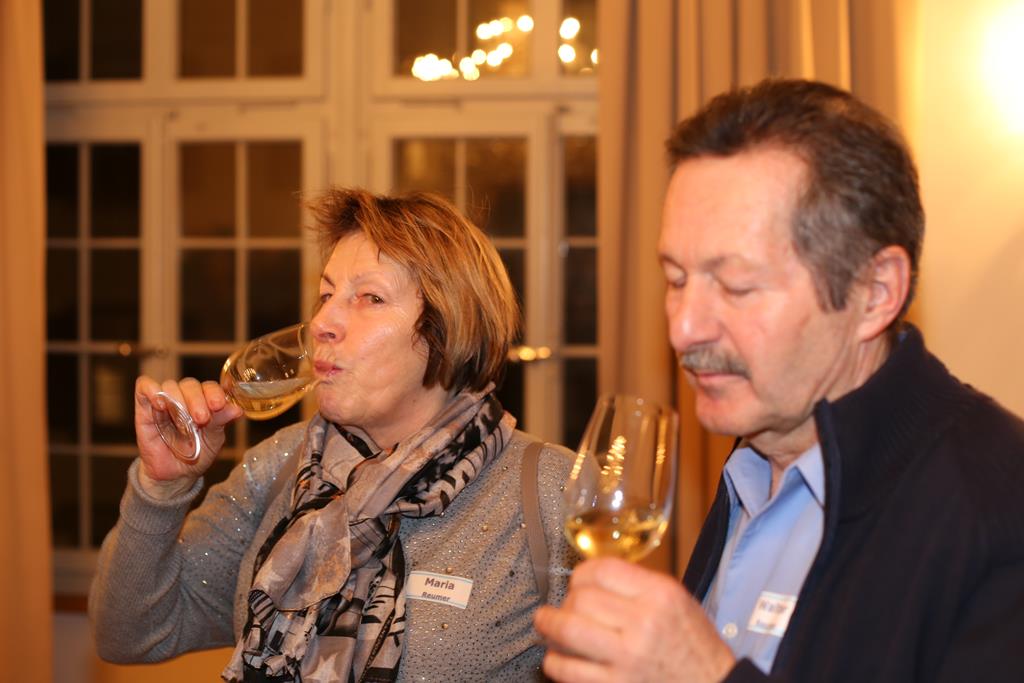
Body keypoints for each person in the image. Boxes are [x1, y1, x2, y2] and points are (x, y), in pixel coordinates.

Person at [534, 78, 1024, 682]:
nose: (683, 329)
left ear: (875, 293)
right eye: (676, 278)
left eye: (737, 286)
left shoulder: (1001, 505)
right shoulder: (755, 457)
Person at [89, 188, 577, 682]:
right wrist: (162, 486)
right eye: (326, 295)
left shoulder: (550, 492)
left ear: (448, 326)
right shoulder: (283, 465)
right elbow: (130, 633)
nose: (322, 322)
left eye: (370, 298)